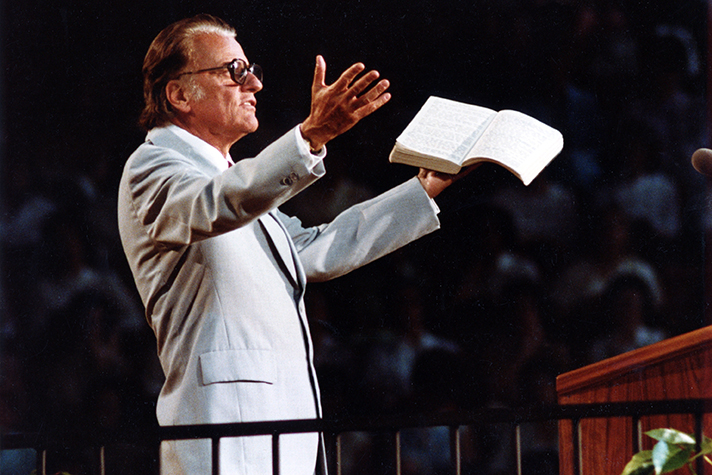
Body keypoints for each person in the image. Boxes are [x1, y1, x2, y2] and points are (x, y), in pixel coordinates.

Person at [118, 14, 469, 475]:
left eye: (252, 70)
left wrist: (422, 190)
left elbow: (312, 249)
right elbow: (216, 203)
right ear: (179, 94)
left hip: (278, 431)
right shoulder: (152, 167)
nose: (255, 86)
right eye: (234, 71)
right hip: (227, 432)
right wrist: (312, 136)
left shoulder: (231, 179)